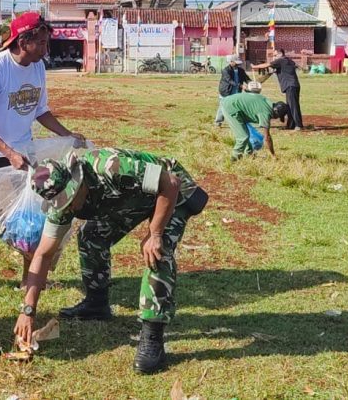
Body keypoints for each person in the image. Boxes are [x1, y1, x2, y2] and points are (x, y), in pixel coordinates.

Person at [15, 148, 209, 373]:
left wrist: (155, 233)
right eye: (63, 204)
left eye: (70, 199)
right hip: (133, 198)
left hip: (173, 193)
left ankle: (152, 337)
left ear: (76, 181)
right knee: (90, 235)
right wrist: (28, 310)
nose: (70, 208)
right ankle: (97, 303)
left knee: (158, 250)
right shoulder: (59, 198)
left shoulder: (111, 167)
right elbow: (43, 254)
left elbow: (171, 183)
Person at [0, 11, 85, 230]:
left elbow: (40, 110)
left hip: (22, 149)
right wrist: (9, 153)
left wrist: (67, 134)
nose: (46, 50)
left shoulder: (38, 67)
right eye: (41, 44)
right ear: (23, 42)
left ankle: (28, 253)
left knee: (28, 206)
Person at [221, 89, 287, 161]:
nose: (274, 118)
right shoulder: (265, 113)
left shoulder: (267, 102)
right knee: (243, 137)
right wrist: (273, 155)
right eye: (277, 117)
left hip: (232, 103)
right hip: (231, 107)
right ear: (276, 112)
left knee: (246, 134)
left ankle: (249, 154)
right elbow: (267, 138)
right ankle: (233, 159)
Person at [253, 49, 304, 130]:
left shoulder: (280, 60)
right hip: (294, 85)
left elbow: (267, 64)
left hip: (290, 85)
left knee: (293, 106)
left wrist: (254, 67)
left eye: (275, 55)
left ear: (280, 55)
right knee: (290, 106)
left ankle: (299, 125)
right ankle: (291, 125)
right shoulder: (288, 61)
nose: (274, 57)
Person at [214, 56, 250, 127]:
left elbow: (246, 78)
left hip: (237, 92)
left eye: (238, 63)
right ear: (231, 62)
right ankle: (218, 122)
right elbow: (230, 81)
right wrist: (241, 86)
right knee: (223, 107)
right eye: (236, 63)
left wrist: (251, 83)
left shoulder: (241, 70)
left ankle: (238, 122)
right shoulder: (226, 70)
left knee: (237, 106)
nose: (237, 65)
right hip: (226, 91)